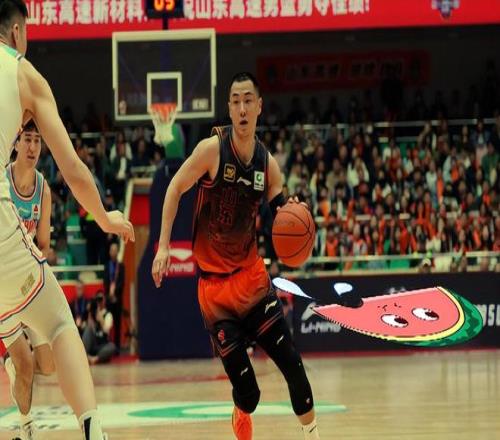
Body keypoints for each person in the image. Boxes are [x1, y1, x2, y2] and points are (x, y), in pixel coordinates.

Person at [152, 72, 320, 440]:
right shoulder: (211, 150)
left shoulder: (268, 166)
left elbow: (283, 212)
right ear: (229, 108)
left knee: (293, 366)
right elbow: (175, 188)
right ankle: (241, 410)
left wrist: (296, 213)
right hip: (215, 293)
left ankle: (313, 435)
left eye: (248, 100)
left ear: (259, 106)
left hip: (252, 281)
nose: (242, 108)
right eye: (235, 101)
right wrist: (163, 246)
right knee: (250, 395)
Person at [0, 2, 134, 440]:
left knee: (33, 358)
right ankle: (93, 430)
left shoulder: (37, 186)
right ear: (17, 32)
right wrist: (105, 217)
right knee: (59, 322)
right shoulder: (23, 74)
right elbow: (73, 169)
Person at [3, 120, 56, 440]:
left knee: (47, 366)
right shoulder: (2, 181)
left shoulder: (43, 189)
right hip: (4, 284)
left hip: (29, 283)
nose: (33, 146)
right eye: (27, 139)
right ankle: (26, 429)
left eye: (38, 140)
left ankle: (13, 365)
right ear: (15, 142)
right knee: (25, 366)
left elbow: (45, 245)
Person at [82, 293, 116, 365]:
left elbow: (106, 330)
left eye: (101, 299)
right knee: (88, 329)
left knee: (112, 346)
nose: (99, 301)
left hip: (102, 345)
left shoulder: (108, 315)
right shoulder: (92, 313)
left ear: (104, 300)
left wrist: (100, 318)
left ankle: (95, 359)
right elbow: (87, 328)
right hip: (92, 344)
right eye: (98, 299)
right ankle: (85, 356)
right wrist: (89, 313)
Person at [104, 243, 124, 351]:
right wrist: (109, 294)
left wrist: (115, 292)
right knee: (107, 323)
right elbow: (105, 281)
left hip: (117, 300)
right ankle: (107, 347)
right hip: (109, 300)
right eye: (112, 250)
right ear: (109, 252)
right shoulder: (107, 266)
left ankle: (117, 348)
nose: (113, 252)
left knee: (117, 324)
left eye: (115, 250)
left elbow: (122, 282)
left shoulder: (121, 266)